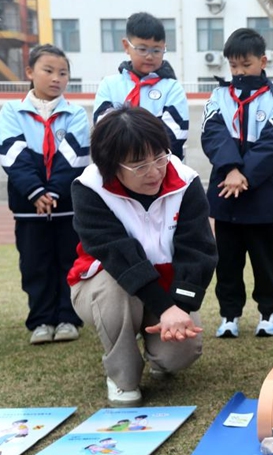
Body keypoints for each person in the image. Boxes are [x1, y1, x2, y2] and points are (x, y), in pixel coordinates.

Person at [67, 106, 217, 407]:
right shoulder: (90, 188)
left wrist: (180, 307)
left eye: (160, 157)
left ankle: (158, 356)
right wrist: (164, 308)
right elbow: (116, 253)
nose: (154, 171)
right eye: (138, 165)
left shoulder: (186, 182)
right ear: (112, 165)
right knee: (113, 291)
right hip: (108, 282)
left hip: (166, 285)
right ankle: (122, 377)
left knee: (180, 352)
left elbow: (197, 249)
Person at [201, 27, 273, 339]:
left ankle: (269, 314)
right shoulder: (218, 98)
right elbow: (211, 134)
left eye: (246, 65)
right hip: (227, 193)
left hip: (263, 196)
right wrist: (230, 170)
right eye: (234, 66)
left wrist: (244, 175)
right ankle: (229, 316)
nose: (239, 72)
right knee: (227, 262)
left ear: (263, 61)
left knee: (266, 261)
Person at [0, 44, 90, 345]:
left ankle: (68, 317)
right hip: (29, 207)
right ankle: (40, 320)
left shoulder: (76, 113)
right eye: (48, 71)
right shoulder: (11, 111)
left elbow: (74, 157)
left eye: (63, 73)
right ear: (29, 72)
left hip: (66, 207)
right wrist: (35, 192)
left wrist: (52, 192)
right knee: (34, 264)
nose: (56, 78)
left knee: (68, 262)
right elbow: (13, 154)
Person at [93, 12, 188, 160]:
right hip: (119, 165)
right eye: (142, 49)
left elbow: (174, 135)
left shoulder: (172, 88)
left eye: (157, 50)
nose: (149, 56)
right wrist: (129, 162)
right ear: (126, 46)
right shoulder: (109, 85)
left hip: (161, 168)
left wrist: (144, 162)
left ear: (164, 48)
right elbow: (104, 131)